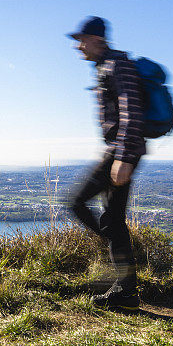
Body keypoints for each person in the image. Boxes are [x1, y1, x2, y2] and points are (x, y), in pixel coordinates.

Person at [67, 16, 146, 311]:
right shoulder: (106, 66)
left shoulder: (118, 65)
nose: (78, 47)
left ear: (97, 40)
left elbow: (132, 112)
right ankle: (127, 292)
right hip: (119, 150)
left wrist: (123, 157)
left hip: (121, 152)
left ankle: (122, 273)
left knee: (76, 202)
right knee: (113, 221)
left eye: (81, 40)